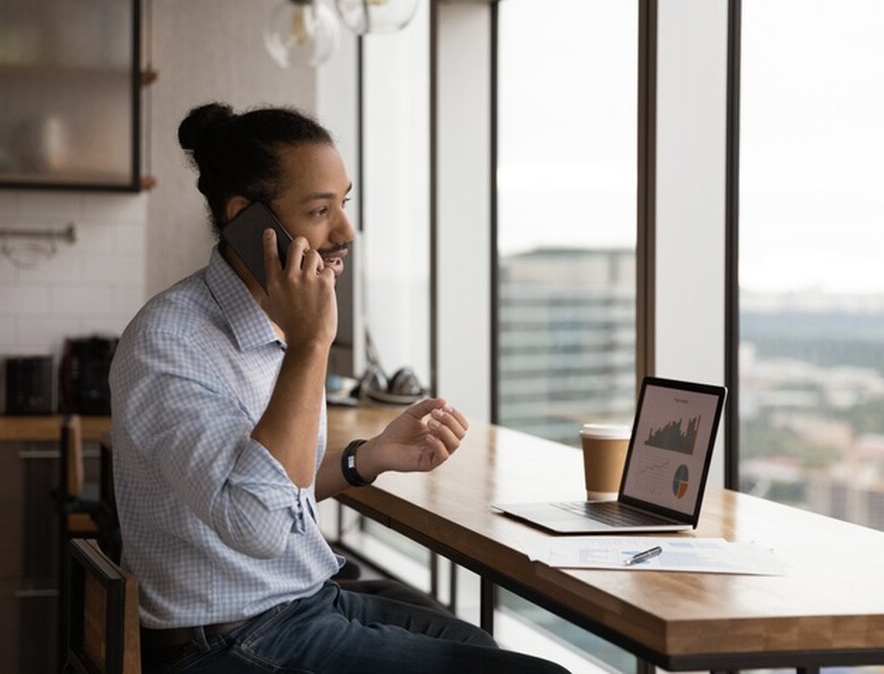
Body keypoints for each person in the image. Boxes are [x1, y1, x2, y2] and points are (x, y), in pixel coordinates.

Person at [108, 102, 571, 674]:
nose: (346, 231)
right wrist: (311, 346)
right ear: (246, 220)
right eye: (320, 210)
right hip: (224, 642)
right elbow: (256, 525)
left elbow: (277, 492)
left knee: (481, 648)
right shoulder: (173, 341)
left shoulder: (273, 323)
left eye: (344, 204)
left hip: (296, 602)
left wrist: (367, 458)